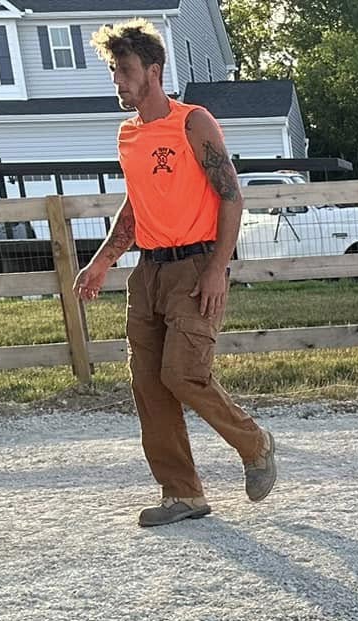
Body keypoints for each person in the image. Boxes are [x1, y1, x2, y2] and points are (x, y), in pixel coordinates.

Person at [75, 18, 276, 528]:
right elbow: (134, 207)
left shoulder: (193, 123)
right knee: (149, 385)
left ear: (154, 71)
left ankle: (254, 443)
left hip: (196, 266)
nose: (117, 81)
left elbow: (231, 196)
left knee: (182, 374)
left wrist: (217, 269)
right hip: (148, 273)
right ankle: (182, 494)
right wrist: (101, 261)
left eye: (125, 70)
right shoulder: (128, 135)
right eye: (113, 71)